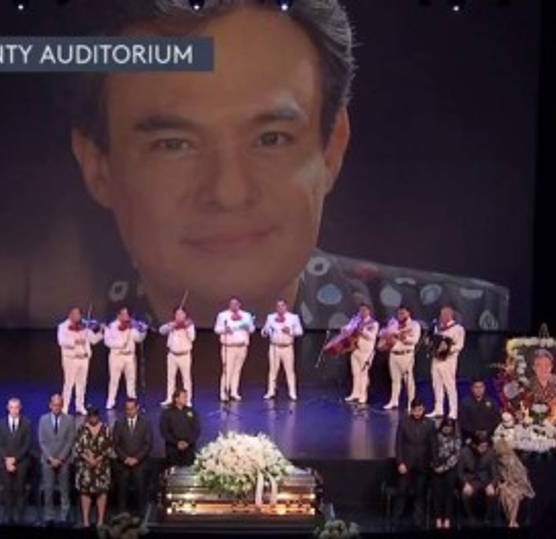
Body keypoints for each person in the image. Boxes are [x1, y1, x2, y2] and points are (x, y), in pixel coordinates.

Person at [69, 0, 511, 333]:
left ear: (332, 148)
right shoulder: (70, 332)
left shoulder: (472, 320)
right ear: (99, 168)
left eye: (270, 139)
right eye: (174, 145)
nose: (229, 192)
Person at [394, 398, 436, 530]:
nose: (417, 412)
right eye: (415, 410)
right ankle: (397, 519)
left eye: (420, 410)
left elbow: (433, 445)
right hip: (406, 463)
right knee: (402, 491)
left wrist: (433, 461)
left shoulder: (429, 424)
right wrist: (400, 462)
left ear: (423, 409)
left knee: (420, 493)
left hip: (423, 464)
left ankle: (419, 521)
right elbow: (398, 444)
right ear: (411, 410)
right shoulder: (404, 422)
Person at [58, 307, 103, 415]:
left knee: (82, 384)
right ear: (70, 315)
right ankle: (65, 407)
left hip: (84, 359)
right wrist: (75, 340)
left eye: (79, 314)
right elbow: (61, 341)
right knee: (69, 384)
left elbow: (93, 340)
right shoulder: (63, 327)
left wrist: (102, 332)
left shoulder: (84, 326)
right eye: (75, 314)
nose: (77, 316)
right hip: (71, 359)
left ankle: (80, 406)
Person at [37, 394, 75, 524]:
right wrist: (51, 458)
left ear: (62, 405)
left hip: (63, 461)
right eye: (54, 405)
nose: (56, 407)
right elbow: (42, 441)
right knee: (48, 489)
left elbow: (70, 441)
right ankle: (49, 516)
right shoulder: (43, 420)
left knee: (65, 489)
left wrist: (60, 458)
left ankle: (65, 516)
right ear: (50, 405)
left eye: (59, 405)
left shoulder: (69, 420)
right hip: (48, 461)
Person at [73, 407, 113, 528]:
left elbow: (109, 447)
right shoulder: (82, 429)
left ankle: (100, 521)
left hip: (101, 467)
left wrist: (98, 459)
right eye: (90, 416)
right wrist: (88, 458)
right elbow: (77, 447)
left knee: (102, 492)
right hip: (85, 467)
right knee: (85, 492)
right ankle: (86, 521)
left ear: (98, 416)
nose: (92, 418)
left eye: (94, 416)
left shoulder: (106, 429)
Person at [112, 398, 153, 516]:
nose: (129, 411)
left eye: (131, 409)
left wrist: (136, 458)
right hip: (123, 463)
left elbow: (148, 444)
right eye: (127, 409)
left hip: (139, 463)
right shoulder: (119, 423)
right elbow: (116, 444)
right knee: (122, 490)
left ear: (137, 408)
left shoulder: (145, 423)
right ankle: (121, 513)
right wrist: (125, 458)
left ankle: (141, 514)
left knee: (140, 488)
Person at [0, 397, 33, 524]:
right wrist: (7, 459)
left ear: (20, 408)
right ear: (8, 408)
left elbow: (27, 445)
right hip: (5, 462)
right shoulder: (0, 423)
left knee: (20, 489)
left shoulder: (26, 423)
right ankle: (8, 517)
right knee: (7, 489)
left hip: (21, 462)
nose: (14, 410)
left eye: (16, 407)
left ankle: (20, 517)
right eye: (12, 407)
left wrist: (15, 459)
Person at [104, 307, 148, 410]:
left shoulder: (131, 326)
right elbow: (107, 341)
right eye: (124, 314)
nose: (126, 317)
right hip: (116, 356)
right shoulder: (112, 326)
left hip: (129, 356)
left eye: (127, 314)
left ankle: (132, 400)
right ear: (118, 316)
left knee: (131, 380)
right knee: (114, 380)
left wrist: (143, 331)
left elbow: (138, 339)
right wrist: (119, 344)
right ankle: (111, 401)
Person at [261, 299, 304, 400]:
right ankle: (271, 391)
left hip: (287, 347)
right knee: (272, 370)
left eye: (282, 306)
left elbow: (300, 332)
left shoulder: (293, 317)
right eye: (278, 306)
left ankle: (292, 393)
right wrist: (266, 331)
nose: (280, 308)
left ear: (286, 307)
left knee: (289, 370)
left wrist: (290, 330)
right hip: (274, 347)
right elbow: (264, 331)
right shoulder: (271, 317)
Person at [214, 297, 255, 401]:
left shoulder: (246, 315)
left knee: (237, 370)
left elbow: (252, 329)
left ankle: (234, 392)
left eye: (236, 303)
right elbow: (217, 329)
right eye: (232, 304)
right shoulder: (223, 315)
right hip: (229, 346)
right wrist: (225, 329)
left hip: (242, 346)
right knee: (227, 370)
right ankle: (224, 392)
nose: (234, 305)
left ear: (239, 304)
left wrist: (248, 327)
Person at [382, 306, 422, 410]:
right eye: (399, 313)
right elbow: (383, 333)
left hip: (406, 355)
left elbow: (415, 340)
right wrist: (387, 334)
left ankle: (411, 404)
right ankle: (394, 401)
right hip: (394, 354)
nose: (400, 315)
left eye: (403, 313)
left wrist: (405, 338)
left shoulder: (414, 325)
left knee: (408, 380)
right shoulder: (394, 324)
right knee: (395, 380)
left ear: (408, 313)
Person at [429, 306, 465, 419]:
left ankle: (453, 411)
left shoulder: (458, 328)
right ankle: (438, 409)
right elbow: (435, 341)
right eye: (441, 314)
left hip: (448, 360)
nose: (442, 316)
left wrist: (448, 349)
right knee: (437, 385)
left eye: (445, 314)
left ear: (451, 315)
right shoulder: (437, 327)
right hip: (436, 360)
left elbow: (460, 345)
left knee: (449, 385)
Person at [158, 307, 197, 406]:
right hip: (172, 355)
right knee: (170, 378)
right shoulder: (172, 325)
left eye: (181, 314)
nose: (179, 316)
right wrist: (169, 326)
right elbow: (161, 331)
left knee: (186, 379)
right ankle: (169, 398)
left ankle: (187, 400)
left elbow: (192, 338)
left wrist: (187, 328)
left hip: (184, 355)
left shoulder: (189, 326)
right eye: (177, 314)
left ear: (185, 315)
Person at [344, 304, 380, 405]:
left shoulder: (374, 323)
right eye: (361, 310)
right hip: (355, 349)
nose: (362, 312)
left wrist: (362, 331)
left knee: (363, 374)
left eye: (364, 310)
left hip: (366, 352)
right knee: (355, 373)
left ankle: (363, 395)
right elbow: (348, 328)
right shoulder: (356, 321)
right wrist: (346, 329)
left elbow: (372, 337)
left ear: (369, 311)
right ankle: (355, 393)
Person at [459, 434, 498, 526]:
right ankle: (470, 517)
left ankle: (487, 518)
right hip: (471, 480)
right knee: (465, 493)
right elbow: (460, 472)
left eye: (486, 446)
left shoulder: (490, 452)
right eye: (481, 446)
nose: (484, 448)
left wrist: (492, 484)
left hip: (485, 479)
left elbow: (495, 473)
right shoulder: (465, 452)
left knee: (491, 493)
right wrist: (465, 483)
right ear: (474, 445)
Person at [495, 439, 535, 528]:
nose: (503, 459)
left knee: (514, 497)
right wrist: (502, 485)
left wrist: (507, 483)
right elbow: (498, 477)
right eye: (501, 457)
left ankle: (512, 522)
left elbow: (520, 479)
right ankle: (512, 522)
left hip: (519, 485)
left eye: (504, 456)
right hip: (507, 486)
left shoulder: (513, 462)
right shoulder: (498, 463)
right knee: (504, 494)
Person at [431, 418, 462, 530]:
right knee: (437, 493)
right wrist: (435, 466)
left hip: (450, 468)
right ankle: (438, 518)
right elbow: (431, 452)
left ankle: (447, 518)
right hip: (436, 467)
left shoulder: (456, 438)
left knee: (449, 492)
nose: (448, 429)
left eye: (450, 427)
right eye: (446, 427)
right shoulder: (435, 437)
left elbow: (456, 455)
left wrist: (444, 468)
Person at [159, 389, 201, 467]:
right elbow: (164, 431)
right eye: (184, 397)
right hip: (172, 449)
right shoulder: (167, 413)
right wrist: (176, 442)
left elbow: (196, 429)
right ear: (176, 399)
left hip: (189, 448)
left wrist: (187, 442)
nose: (186, 399)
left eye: (186, 397)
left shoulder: (191, 411)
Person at [527, 349, 556, 420]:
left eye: (547, 365)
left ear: (551, 366)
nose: (543, 368)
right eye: (539, 365)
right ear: (533, 367)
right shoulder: (528, 384)